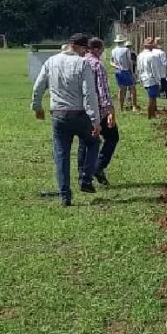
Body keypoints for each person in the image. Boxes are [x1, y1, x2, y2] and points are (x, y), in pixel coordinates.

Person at [31, 33, 102, 207]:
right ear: (80, 47)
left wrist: (37, 107)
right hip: (78, 113)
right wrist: (95, 120)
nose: (85, 53)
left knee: (61, 155)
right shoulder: (83, 63)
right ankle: (85, 178)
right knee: (93, 142)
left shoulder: (51, 61)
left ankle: (65, 196)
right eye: (85, 49)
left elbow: (38, 86)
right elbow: (89, 93)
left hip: (58, 115)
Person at [77, 37, 119, 186]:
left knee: (84, 142)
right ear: (95, 49)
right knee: (112, 137)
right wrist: (110, 111)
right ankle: (98, 166)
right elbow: (102, 91)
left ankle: (82, 173)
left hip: (81, 109)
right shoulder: (97, 65)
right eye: (101, 49)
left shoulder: (79, 62)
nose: (102, 52)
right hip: (98, 110)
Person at [110, 34, 139, 112]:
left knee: (121, 89)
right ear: (123, 42)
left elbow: (111, 62)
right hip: (126, 70)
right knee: (132, 88)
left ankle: (121, 107)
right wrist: (132, 72)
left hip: (118, 71)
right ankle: (134, 106)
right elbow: (129, 61)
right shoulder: (126, 50)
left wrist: (116, 66)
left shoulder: (113, 50)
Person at [136, 38, 164, 119]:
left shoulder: (140, 55)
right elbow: (154, 69)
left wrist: (140, 78)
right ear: (152, 46)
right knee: (151, 98)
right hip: (151, 79)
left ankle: (153, 115)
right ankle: (149, 116)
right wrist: (158, 81)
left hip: (144, 78)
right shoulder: (153, 56)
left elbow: (138, 68)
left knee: (153, 97)